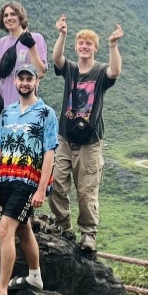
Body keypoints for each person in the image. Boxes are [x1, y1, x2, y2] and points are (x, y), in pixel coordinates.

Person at [0, 62, 57, 295]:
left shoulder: (46, 113)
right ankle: (35, 276)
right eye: (20, 79)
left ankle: (1, 292)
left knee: (4, 229)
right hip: (7, 178)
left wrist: (42, 189)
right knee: (23, 229)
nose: (24, 83)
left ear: (36, 82)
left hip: (29, 181)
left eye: (28, 79)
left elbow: (50, 153)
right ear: (15, 82)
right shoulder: (7, 112)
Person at [47, 18, 124, 253]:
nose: (84, 46)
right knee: (56, 183)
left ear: (94, 48)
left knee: (86, 190)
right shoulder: (70, 69)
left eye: (88, 43)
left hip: (90, 142)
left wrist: (113, 45)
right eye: (81, 42)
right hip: (65, 138)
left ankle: (88, 233)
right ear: (76, 46)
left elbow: (115, 70)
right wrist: (62, 35)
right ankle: (63, 226)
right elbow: (56, 59)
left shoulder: (100, 72)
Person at [0, 3, 48, 197]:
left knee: (22, 149)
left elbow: (42, 71)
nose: (9, 18)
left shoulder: (35, 38)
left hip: (25, 105)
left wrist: (31, 47)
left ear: (21, 16)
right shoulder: (2, 43)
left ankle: (19, 190)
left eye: (13, 14)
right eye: (5, 15)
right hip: (3, 103)